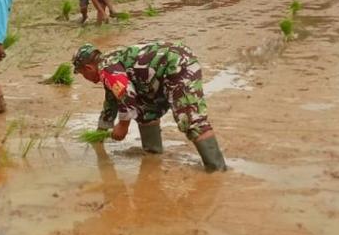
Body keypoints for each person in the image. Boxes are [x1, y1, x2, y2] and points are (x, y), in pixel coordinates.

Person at [72, 41, 228, 171]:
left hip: (176, 65)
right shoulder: (108, 63)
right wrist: (101, 132)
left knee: (191, 119)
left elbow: (126, 93)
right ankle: (153, 155)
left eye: (81, 74)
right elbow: (111, 101)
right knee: (146, 111)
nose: (85, 77)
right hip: (160, 74)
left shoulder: (107, 69)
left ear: (88, 68)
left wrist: (123, 125)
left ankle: (217, 169)